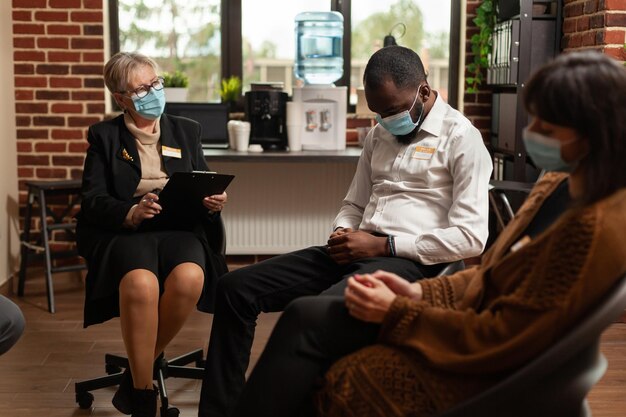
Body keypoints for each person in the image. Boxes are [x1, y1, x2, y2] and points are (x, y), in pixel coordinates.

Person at [231, 51, 626, 417]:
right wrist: (417, 293)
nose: (531, 131)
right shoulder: (562, 190)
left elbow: (501, 334)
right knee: (245, 292)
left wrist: (401, 308)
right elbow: (491, 276)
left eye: (546, 124)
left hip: (472, 356)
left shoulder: (590, 230)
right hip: (372, 258)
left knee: (312, 326)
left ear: (591, 134)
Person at [198, 46, 493, 417]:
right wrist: (342, 231)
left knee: (310, 314)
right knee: (234, 289)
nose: (386, 120)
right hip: (357, 248)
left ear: (423, 90)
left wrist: (383, 245)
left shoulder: (462, 139)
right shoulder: (378, 135)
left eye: (393, 110)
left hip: (408, 261)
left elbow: (470, 238)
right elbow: (353, 204)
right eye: (378, 112)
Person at [76, 52, 228, 417]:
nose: (152, 92)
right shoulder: (104, 136)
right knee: (141, 285)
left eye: (155, 83)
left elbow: (202, 177)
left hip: (179, 226)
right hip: (129, 230)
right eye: (141, 88)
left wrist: (213, 199)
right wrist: (131, 211)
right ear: (121, 98)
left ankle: (133, 375)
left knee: (191, 277)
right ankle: (143, 398)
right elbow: (93, 200)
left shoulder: (185, 130)